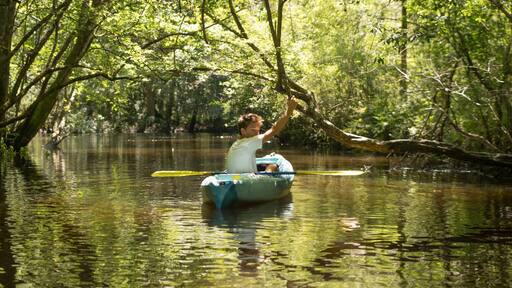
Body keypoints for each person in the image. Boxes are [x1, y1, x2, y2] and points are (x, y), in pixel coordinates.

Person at [226, 97, 298, 173]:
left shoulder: (236, 144)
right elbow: (274, 130)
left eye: (258, 130)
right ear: (243, 131)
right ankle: (269, 171)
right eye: (253, 130)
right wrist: (289, 110)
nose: (257, 133)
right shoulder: (249, 141)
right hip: (246, 180)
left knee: (270, 160)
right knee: (275, 162)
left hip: (235, 178)